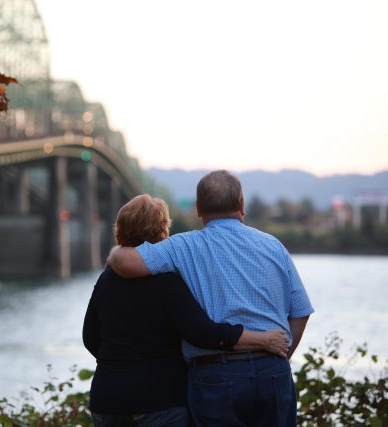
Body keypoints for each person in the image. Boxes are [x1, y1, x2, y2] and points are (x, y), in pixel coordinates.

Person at [108, 170, 314, 427]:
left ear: (198, 209)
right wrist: (282, 354)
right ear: (241, 204)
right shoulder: (273, 246)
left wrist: (115, 252)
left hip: (216, 374)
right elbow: (301, 310)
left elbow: (127, 263)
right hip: (273, 370)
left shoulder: (184, 246)